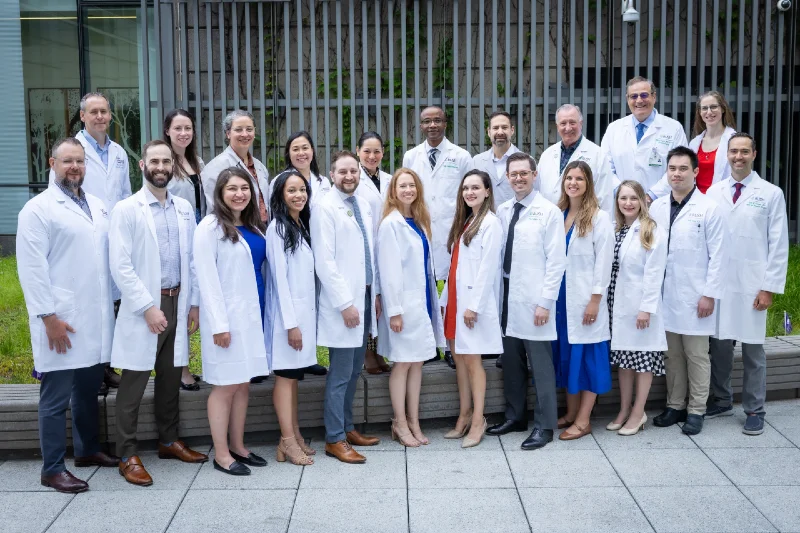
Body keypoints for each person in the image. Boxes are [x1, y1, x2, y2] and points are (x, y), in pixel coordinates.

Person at [17, 138, 120, 493]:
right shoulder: (37, 209)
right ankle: (52, 468)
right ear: (52, 163)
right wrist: (48, 318)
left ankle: (88, 450)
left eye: (80, 161)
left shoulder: (98, 205)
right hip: (61, 319)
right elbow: (31, 270)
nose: (75, 167)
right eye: (67, 161)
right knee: (56, 395)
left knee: (88, 389)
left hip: (95, 316)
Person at [109, 140, 208, 486]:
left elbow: (192, 260)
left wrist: (193, 302)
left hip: (178, 301)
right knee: (134, 381)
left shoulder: (182, 208)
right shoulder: (127, 209)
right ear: (142, 165)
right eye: (155, 161)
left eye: (167, 161)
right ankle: (127, 453)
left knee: (170, 377)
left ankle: (168, 440)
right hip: (145, 307)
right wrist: (148, 307)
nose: (161, 166)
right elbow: (120, 266)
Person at [706, 133, 789, 435]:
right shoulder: (714, 193)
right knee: (720, 346)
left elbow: (778, 245)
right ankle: (722, 399)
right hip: (721, 283)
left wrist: (768, 287)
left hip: (754, 285)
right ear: (726, 155)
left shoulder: (770, 193)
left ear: (754, 154)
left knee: (754, 350)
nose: (738, 157)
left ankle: (755, 408)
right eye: (733, 152)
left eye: (744, 151)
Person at [48, 92, 132, 390]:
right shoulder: (72, 150)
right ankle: (86, 370)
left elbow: (124, 197)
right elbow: (58, 194)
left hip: (112, 236)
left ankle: (105, 366)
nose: (100, 117)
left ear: (110, 115)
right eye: (93, 112)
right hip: (82, 236)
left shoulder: (119, 153)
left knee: (111, 304)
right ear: (82, 116)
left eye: (104, 111)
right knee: (87, 302)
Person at [193, 168, 271, 475]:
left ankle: (239, 445)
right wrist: (220, 325)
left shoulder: (254, 226)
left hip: (253, 317)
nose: (239, 193)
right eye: (232, 189)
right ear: (220, 193)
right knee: (225, 387)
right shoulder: (209, 228)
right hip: (226, 322)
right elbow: (207, 281)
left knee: (243, 385)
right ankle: (222, 454)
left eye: (244, 188)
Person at [486, 152, 566, 450]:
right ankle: (515, 416)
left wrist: (546, 302)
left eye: (524, 173)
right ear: (507, 178)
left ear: (534, 175)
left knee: (540, 364)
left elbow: (557, 261)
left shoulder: (549, 212)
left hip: (535, 300)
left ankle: (545, 425)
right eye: (513, 174)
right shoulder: (504, 210)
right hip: (507, 296)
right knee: (511, 360)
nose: (518, 178)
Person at [649, 146, 727, 436]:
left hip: (697, 296)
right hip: (665, 295)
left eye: (683, 168)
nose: (677, 173)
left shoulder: (709, 209)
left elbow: (719, 256)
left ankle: (696, 410)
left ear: (695, 172)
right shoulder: (656, 207)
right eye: (672, 168)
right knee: (672, 354)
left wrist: (709, 294)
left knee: (696, 354)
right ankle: (675, 405)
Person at [310, 150, 381, 463]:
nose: (350, 176)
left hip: (364, 295)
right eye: (343, 172)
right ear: (332, 174)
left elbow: (369, 253)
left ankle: (348, 427)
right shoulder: (324, 207)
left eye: (354, 171)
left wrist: (373, 295)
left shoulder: (362, 204)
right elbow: (324, 262)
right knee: (340, 372)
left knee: (355, 369)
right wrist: (345, 303)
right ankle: (334, 438)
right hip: (345, 302)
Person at [376, 168, 445, 447]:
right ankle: (399, 422)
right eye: (402, 186)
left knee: (417, 363)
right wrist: (394, 311)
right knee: (402, 363)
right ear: (393, 191)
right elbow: (389, 271)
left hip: (422, 302)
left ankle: (414, 422)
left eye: (412, 186)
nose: (408, 190)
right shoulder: (390, 224)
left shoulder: (419, 220)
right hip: (403, 306)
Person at [551, 161, 614, 441]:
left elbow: (604, 263)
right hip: (561, 300)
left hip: (585, 300)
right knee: (566, 356)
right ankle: (570, 412)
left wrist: (595, 301)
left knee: (587, 359)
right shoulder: (558, 213)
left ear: (589, 183)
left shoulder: (599, 218)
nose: (573, 183)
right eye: (569, 178)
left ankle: (584, 420)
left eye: (579, 178)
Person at [441, 170, 503, 448]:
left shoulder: (491, 223)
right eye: (466, 188)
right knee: (460, 363)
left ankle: (478, 419)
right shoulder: (466, 221)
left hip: (471, 305)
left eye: (476, 187)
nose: (470, 192)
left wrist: (474, 307)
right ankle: (464, 414)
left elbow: (487, 270)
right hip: (455, 301)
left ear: (488, 191)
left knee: (473, 363)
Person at [606, 180, 668, 436]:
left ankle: (638, 411)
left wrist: (646, 308)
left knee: (642, 360)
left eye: (633, 198)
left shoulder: (650, 230)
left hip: (640, 308)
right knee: (624, 361)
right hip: (617, 304)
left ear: (643, 200)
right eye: (623, 198)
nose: (628, 203)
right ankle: (623, 409)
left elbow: (655, 273)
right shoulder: (617, 228)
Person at [265, 171, 318, 465]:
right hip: (289, 320)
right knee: (285, 378)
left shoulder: (300, 225)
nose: (298, 195)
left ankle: (294, 434)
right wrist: (291, 325)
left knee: (293, 378)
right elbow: (280, 282)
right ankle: (286, 440)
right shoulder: (278, 229)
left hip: (302, 316)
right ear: (280, 196)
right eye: (291, 191)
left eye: (302, 190)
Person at [402, 106, 474, 282]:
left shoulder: (461, 157)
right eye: (427, 121)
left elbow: (471, 196)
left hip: (451, 232)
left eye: (437, 120)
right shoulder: (411, 156)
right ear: (421, 126)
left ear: (445, 124)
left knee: (449, 286)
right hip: (420, 229)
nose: (432, 125)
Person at [163, 108, 206, 392]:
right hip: (176, 241)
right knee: (180, 309)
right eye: (177, 128)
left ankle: (188, 364)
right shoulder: (164, 163)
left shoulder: (198, 162)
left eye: (188, 128)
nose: (183, 133)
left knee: (195, 304)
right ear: (167, 131)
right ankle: (181, 369)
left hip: (200, 237)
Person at [600, 76, 688, 200]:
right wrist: (624, 195)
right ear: (627, 99)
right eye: (634, 96)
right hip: (623, 205)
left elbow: (679, 168)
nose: (639, 100)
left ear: (654, 97)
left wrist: (651, 196)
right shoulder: (614, 129)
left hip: (660, 202)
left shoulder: (673, 128)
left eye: (644, 95)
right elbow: (605, 167)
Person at [650, 91, 737, 197]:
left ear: (723, 109)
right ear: (700, 112)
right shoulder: (695, 143)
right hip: (695, 203)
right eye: (704, 108)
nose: (709, 112)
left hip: (723, 200)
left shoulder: (733, 141)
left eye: (713, 107)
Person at [355, 131, 393, 374]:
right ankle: (367, 352)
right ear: (358, 151)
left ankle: (379, 350)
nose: (372, 156)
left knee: (383, 301)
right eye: (366, 151)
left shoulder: (390, 179)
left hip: (387, 246)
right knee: (368, 298)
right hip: (363, 248)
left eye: (377, 151)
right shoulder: (352, 178)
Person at [538, 104, 618, 215]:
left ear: (581, 124)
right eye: (563, 123)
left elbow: (604, 197)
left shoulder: (597, 154)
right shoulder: (547, 155)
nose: (568, 128)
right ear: (557, 127)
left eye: (572, 122)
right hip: (549, 221)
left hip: (582, 223)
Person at [201, 109, 270, 221]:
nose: (245, 134)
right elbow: (215, 209)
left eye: (249, 129)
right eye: (238, 130)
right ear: (228, 133)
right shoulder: (215, 168)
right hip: (235, 232)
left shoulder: (260, 167)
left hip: (263, 231)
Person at [472, 111, 520, 208]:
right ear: (489, 132)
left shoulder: (526, 161)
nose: (500, 132)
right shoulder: (477, 162)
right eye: (495, 128)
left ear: (512, 130)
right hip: (485, 221)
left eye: (504, 127)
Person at [282, 130, 331, 207]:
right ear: (288, 153)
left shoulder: (324, 182)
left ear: (312, 150)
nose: (301, 153)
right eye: (295, 149)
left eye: (305, 148)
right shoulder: (279, 181)